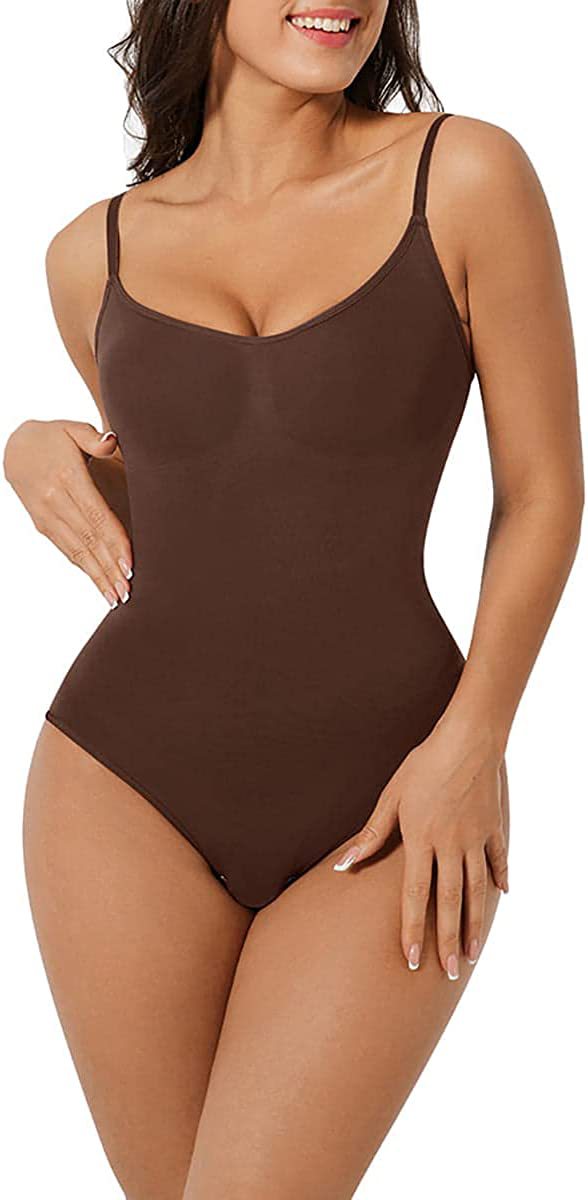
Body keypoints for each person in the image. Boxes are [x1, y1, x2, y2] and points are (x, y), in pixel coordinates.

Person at [3, 3, 583, 1198]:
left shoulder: (462, 176)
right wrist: (25, 450)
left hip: (394, 793)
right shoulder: (88, 254)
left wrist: (471, 744)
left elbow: (543, 492)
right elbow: (208, 497)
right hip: (121, 785)